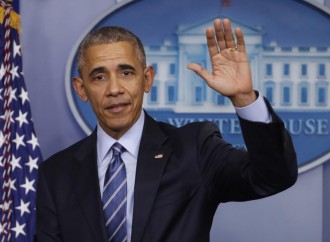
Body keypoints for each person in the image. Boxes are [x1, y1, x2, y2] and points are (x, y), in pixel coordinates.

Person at [35, 18, 298, 242]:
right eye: (99, 77)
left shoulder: (195, 148)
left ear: (147, 79)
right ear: (82, 89)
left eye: (126, 73)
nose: (114, 89)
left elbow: (273, 177)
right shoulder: (56, 174)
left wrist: (244, 99)